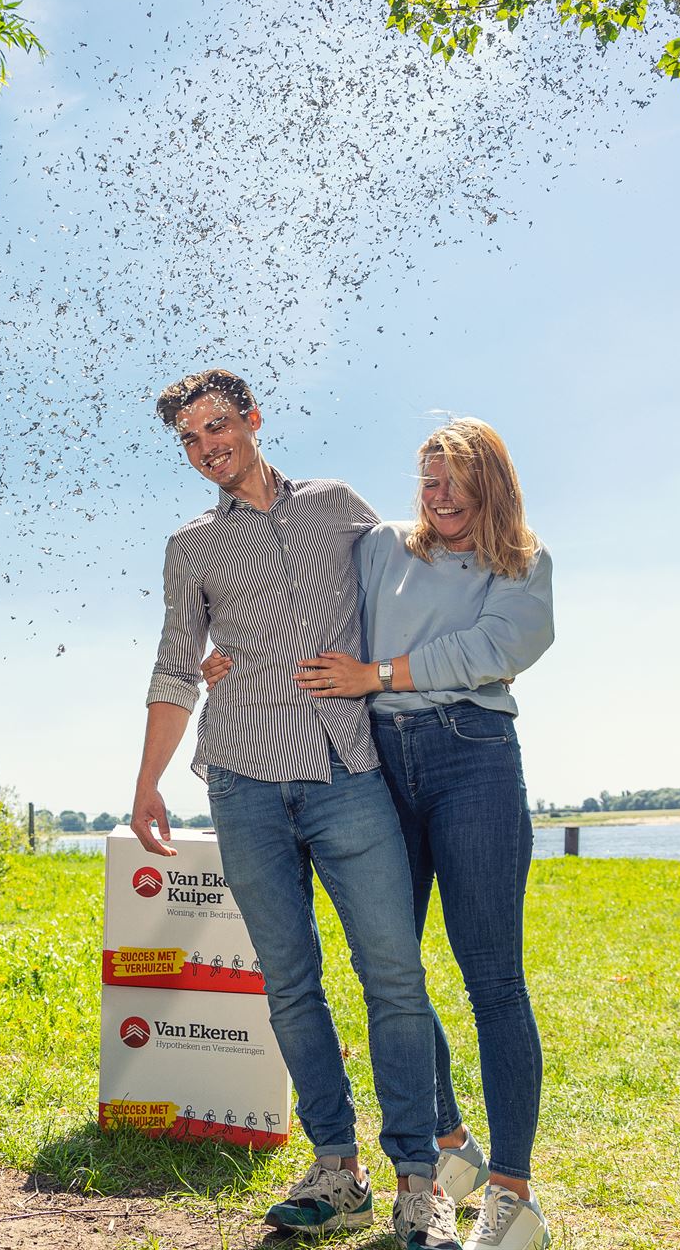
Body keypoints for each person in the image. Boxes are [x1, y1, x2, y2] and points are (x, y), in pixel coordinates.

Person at [131, 368, 463, 1249]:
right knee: (290, 983)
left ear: (253, 420)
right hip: (241, 778)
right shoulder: (192, 546)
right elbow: (175, 661)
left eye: (217, 427)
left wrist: (393, 671)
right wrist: (147, 781)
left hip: (346, 772)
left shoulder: (338, 507)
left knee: (394, 974)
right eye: (191, 440)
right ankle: (334, 1168)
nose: (208, 448)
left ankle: (419, 1181)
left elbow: (414, 572)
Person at [205, 417, 554, 1250]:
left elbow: (502, 644)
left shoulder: (522, 563)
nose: (438, 498)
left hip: (472, 757)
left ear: (490, 486)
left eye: (455, 483)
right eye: (428, 481)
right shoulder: (382, 545)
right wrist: (227, 655)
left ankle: (511, 1195)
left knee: (492, 979)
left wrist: (381, 675)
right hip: (377, 760)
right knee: (392, 963)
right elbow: (294, 588)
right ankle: (445, 1143)